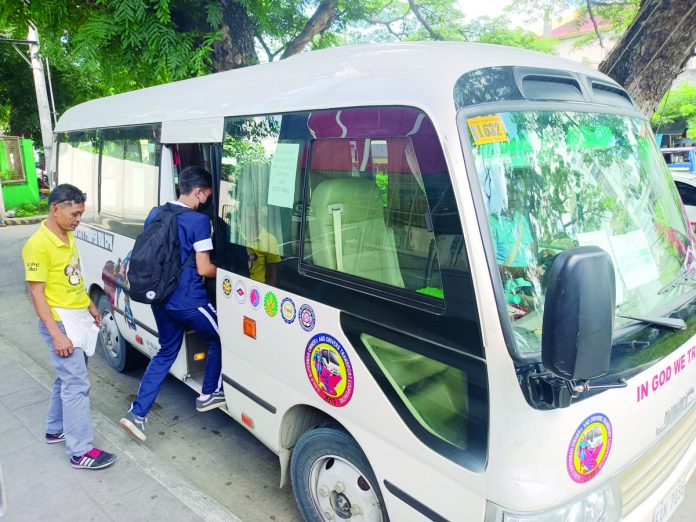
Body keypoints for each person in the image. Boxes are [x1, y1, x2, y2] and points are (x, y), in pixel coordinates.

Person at [120, 166, 224, 442]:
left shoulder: (157, 213)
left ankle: (137, 414)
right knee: (221, 337)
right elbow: (203, 269)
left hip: (161, 298)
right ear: (199, 192)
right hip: (189, 300)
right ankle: (209, 393)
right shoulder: (198, 221)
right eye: (207, 195)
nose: (207, 200)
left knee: (166, 352)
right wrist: (230, 272)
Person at [22, 183, 117, 470]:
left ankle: (55, 429)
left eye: (80, 214)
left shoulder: (66, 236)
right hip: (61, 323)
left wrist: (90, 306)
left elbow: (73, 276)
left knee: (68, 379)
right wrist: (55, 334)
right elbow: (36, 294)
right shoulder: (37, 245)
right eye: (75, 214)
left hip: (77, 317)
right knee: (76, 384)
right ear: (55, 209)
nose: (78, 219)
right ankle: (79, 451)